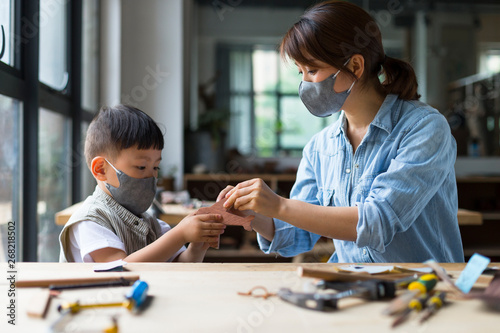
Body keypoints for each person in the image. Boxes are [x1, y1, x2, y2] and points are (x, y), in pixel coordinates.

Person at [218, 0, 464, 263]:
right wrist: (256, 215)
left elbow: (377, 221)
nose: (305, 84)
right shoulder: (320, 147)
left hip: (426, 292)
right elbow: (296, 235)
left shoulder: (424, 128)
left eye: (312, 70)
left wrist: (278, 205)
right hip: (354, 291)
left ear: (355, 66)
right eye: (300, 72)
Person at [59, 105, 226, 263]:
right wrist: (180, 234)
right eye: (141, 167)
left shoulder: (151, 223)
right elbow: (120, 269)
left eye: (155, 167)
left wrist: (197, 245)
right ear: (101, 169)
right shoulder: (90, 221)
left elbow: (179, 266)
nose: (151, 177)